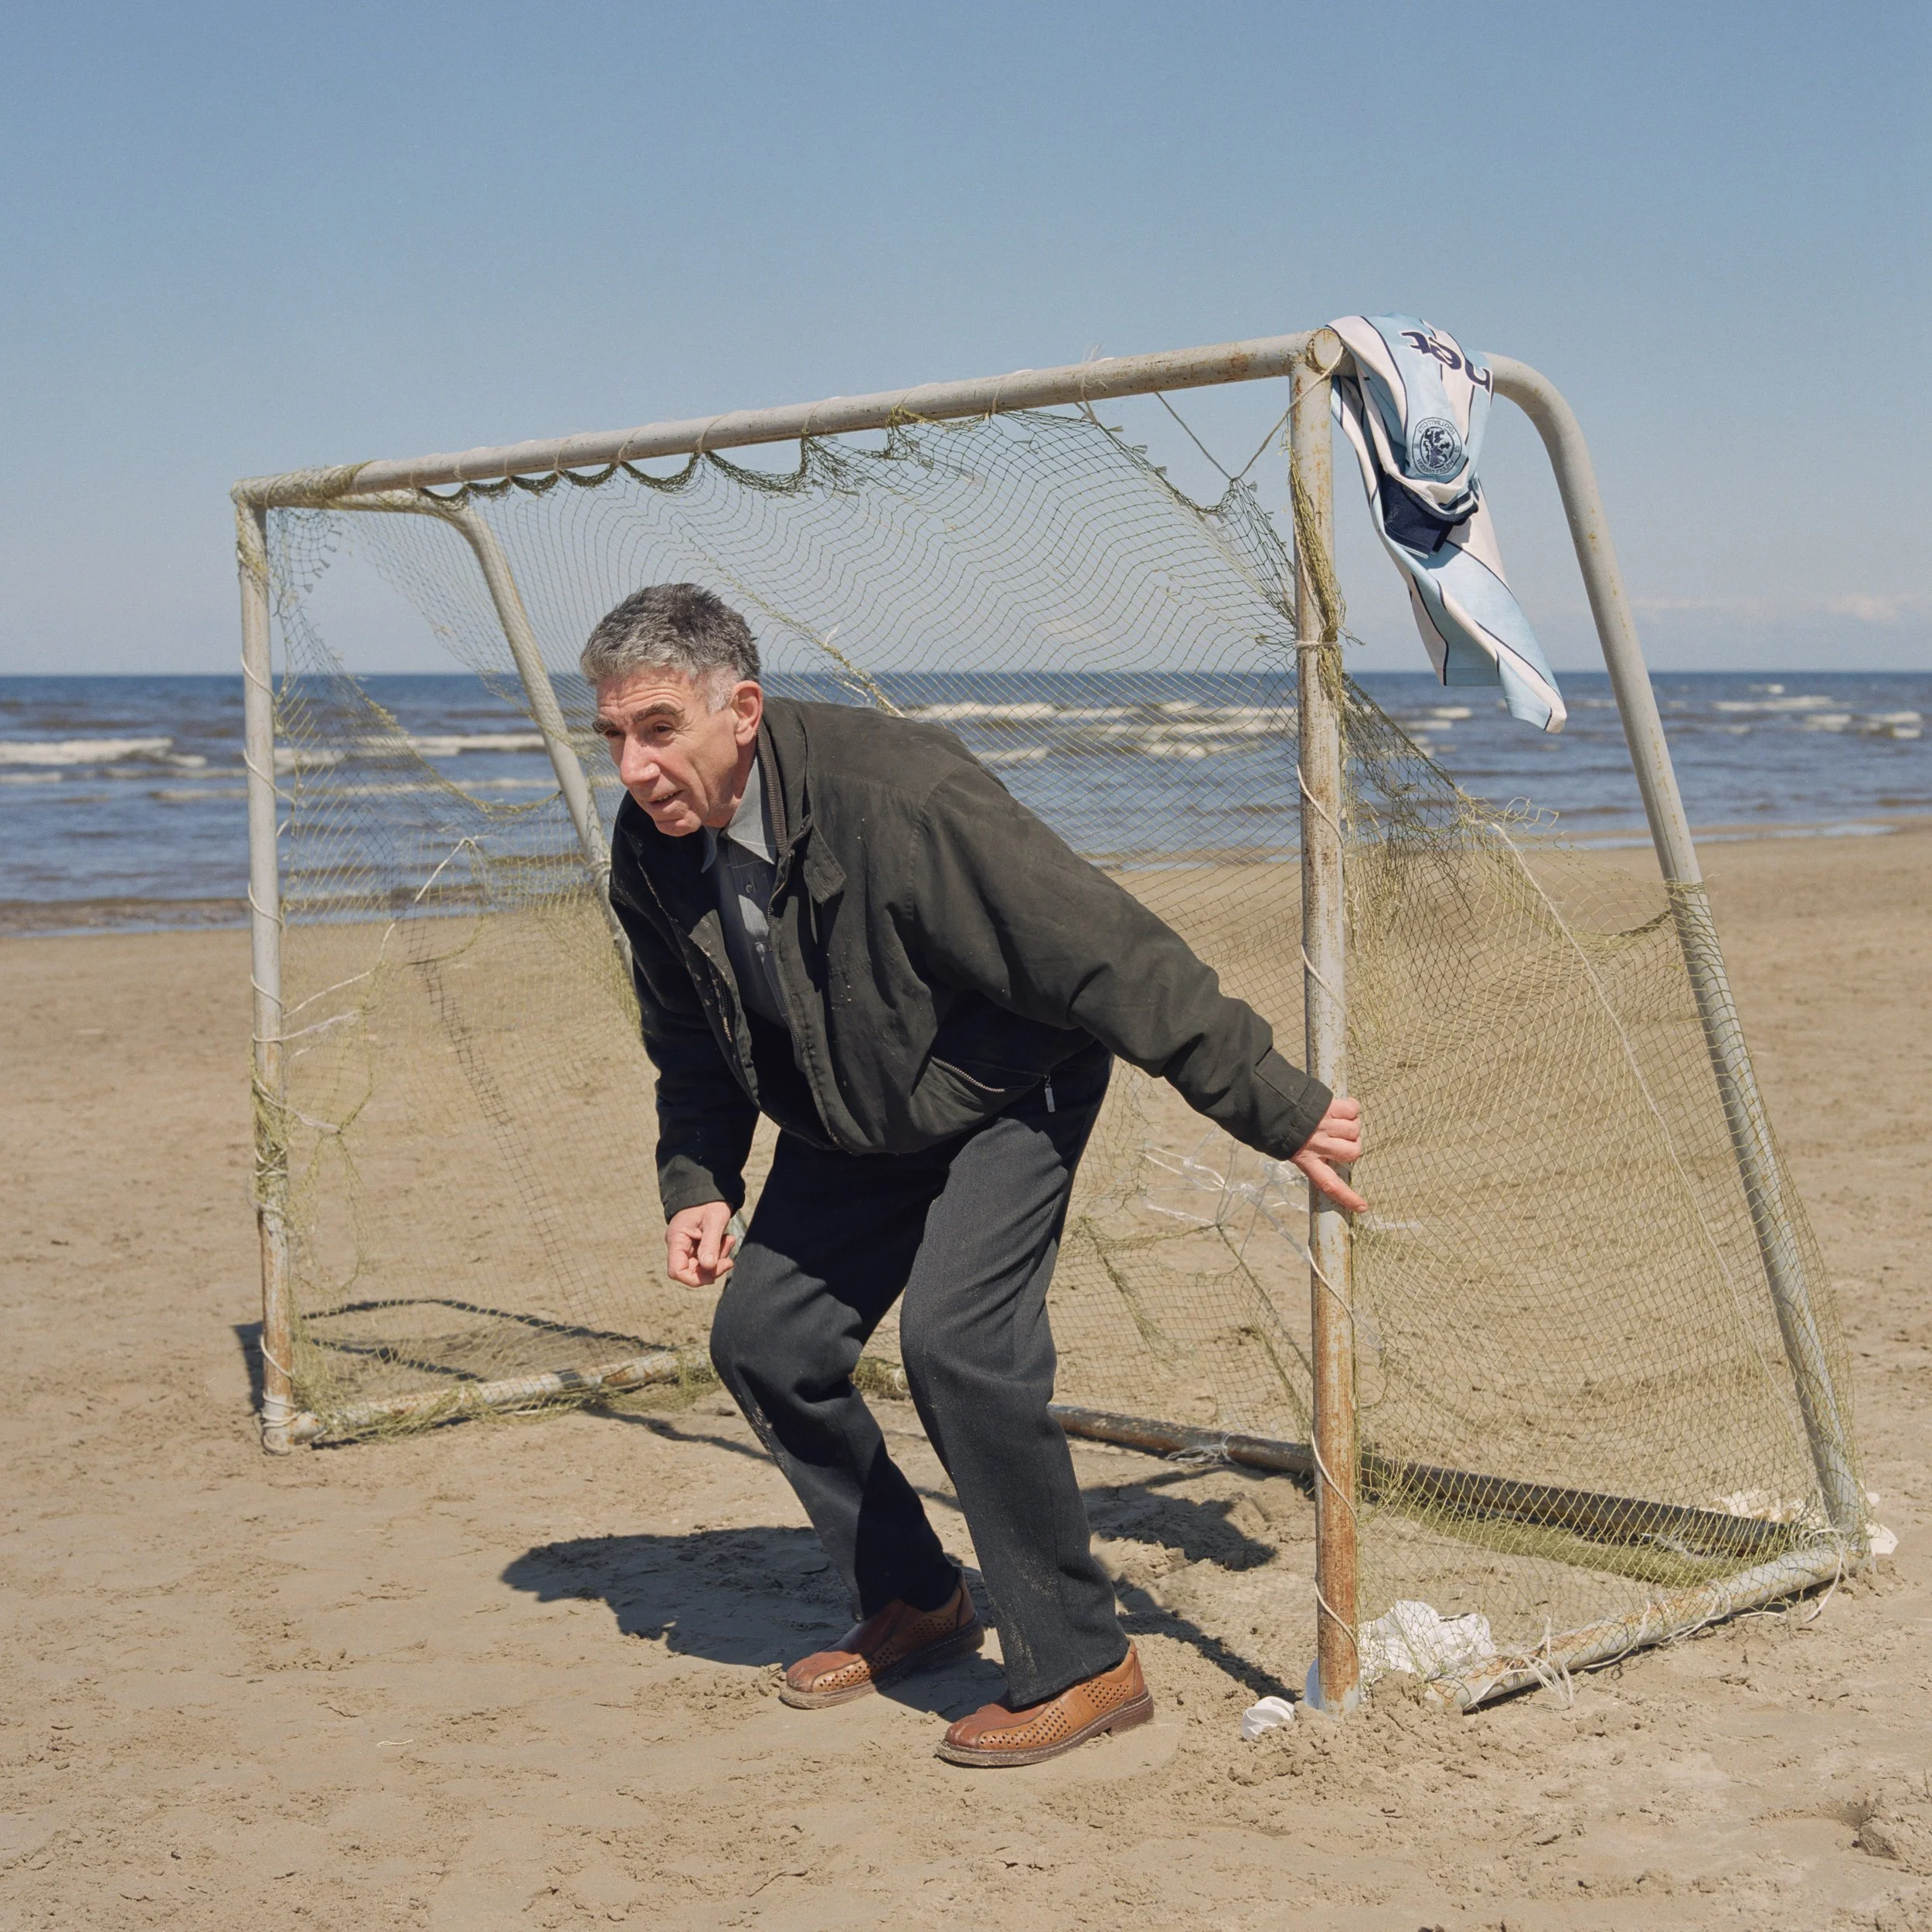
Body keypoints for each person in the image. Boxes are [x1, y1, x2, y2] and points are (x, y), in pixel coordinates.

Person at [587, 583, 1365, 1768]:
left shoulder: (901, 798)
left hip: (1010, 1089)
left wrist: (1273, 1105)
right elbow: (691, 1032)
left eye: (657, 730)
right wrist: (700, 1179)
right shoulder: (653, 848)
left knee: (960, 1346)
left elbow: (1105, 948)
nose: (636, 768)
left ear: (739, 710)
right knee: (767, 1346)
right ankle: (919, 1599)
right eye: (616, 739)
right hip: (855, 1114)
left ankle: (1085, 1664)